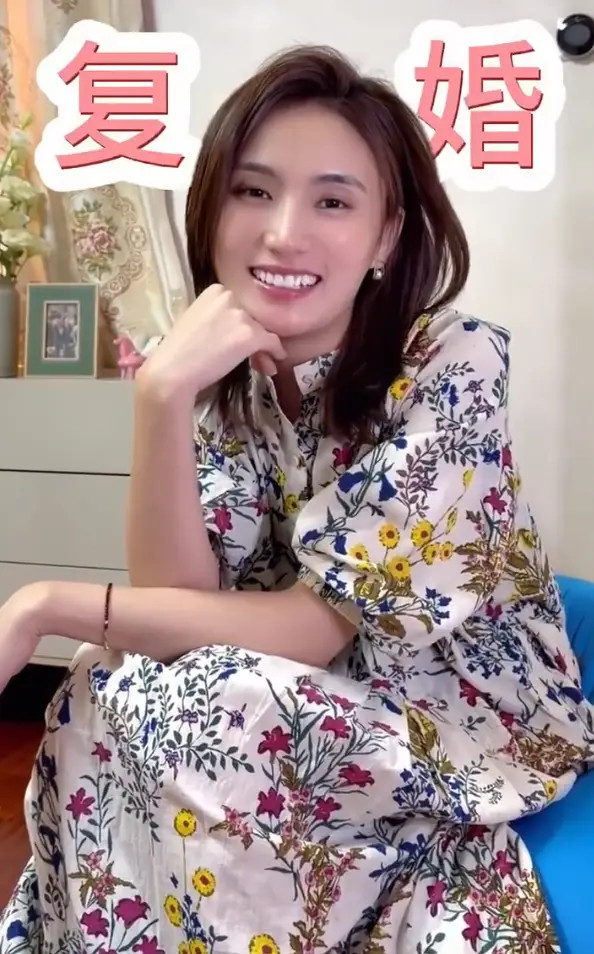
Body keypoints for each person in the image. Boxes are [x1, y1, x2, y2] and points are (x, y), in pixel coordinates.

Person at [0, 44, 591, 954]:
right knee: (106, 683)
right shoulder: (222, 372)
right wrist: (162, 396)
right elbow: (176, 597)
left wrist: (43, 603)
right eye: (253, 190)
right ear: (213, 208)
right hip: (287, 687)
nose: (282, 233)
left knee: (190, 699)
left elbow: (316, 628)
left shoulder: (454, 362)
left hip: (453, 705)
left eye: (333, 201)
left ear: (386, 236)